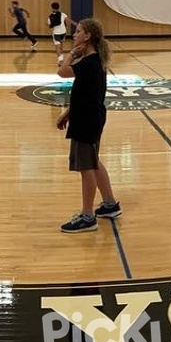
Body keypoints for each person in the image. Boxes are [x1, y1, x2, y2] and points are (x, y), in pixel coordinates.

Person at [55, 18, 121, 233]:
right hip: (90, 116)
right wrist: (68, 113)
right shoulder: (95, 61)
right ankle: (110, 204)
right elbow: (85, 95)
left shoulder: (89, 63)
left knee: (86, 168)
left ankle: (87, 216)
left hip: (87, 120)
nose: (74, 35)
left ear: (87, 36)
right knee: (93, 161)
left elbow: (62, 72)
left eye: (78, 32)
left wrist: (72, 54)